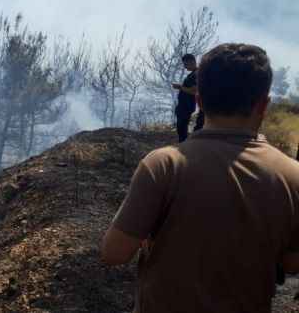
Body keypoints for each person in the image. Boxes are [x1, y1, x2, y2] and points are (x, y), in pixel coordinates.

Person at [100, 43, 299, 312]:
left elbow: (114, 253)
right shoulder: (292, 175)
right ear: (263, 105)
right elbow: (291, 263)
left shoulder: (163, 164)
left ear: (200, 101)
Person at [172, 54, 201, 142]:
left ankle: (183, 145)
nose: (184, 67)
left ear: (192, 61)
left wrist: (180, 87)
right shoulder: (193, 74)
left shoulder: (196, 74)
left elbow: (194, 91)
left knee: (182, 127)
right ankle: (183, 144)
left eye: (185, 64)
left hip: (187, 106)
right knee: (181, 127)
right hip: (184, 105)